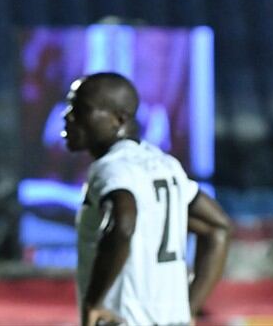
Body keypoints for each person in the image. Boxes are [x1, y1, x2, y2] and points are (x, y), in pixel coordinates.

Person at [63, 72, 231, 326]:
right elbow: (217, 226)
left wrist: (94, 302)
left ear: (118, 119)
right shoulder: (164, 164)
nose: (68, 116)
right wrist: (189, 308)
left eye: (80, 109)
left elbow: (123, 223)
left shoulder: (112, 167)